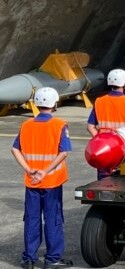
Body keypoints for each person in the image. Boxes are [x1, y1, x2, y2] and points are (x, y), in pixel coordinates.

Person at [12, 87, 73, 269]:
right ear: (54, 103)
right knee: (53, 219)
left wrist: (29, 169)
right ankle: (52, 259)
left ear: (36, 104)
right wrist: (45, 171)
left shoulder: (26, 125)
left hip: (31, 182)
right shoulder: (59, 125)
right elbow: (63, 153)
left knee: (31, 219)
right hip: (51, 182)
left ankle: (29, 258)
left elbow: (15, 149)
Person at [87, 69, 125, 179]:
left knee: (103, 185)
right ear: (124, 84)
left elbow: (90, 127)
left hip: (105, 151)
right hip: (122, 151)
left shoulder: (99, 101)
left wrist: (100, 141)